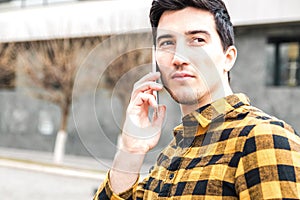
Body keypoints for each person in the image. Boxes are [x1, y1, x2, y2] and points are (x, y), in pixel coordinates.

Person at [94, 0, 300, 199]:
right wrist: (131, 151)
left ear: (228, 58)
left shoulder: (264, 138)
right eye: (167, 43)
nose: (178, 58)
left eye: (197, 40)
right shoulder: (170, 154)